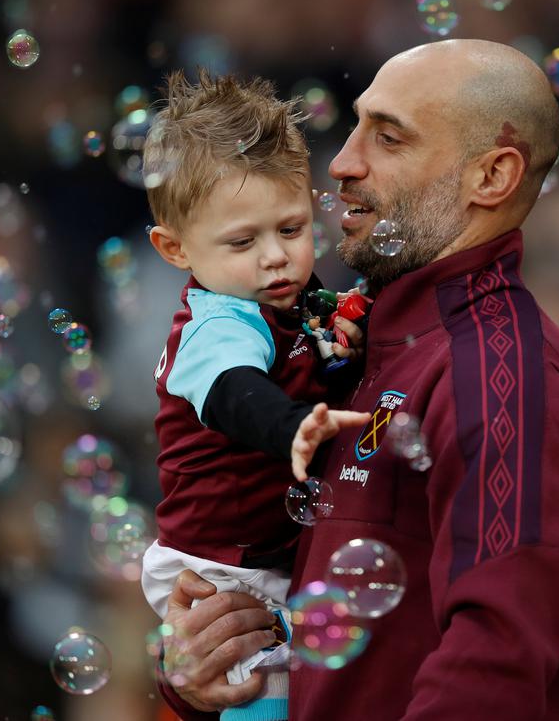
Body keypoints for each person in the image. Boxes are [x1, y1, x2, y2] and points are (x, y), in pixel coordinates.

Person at [158, 38, 559, 720]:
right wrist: (205, 673)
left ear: (490, 177)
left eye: (388, 137)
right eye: (358, 124)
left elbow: (497, 667)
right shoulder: (365, 345)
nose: (341, 163)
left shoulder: (499, 371)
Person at [141, 69, 372, 721]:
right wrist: (293, 424)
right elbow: (232, 393)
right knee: (262, 701)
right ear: (174, 247)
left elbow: (325, 329)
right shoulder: (219, 323)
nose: (275, 257)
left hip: (271, 550)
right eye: (243, 241)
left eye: (292, 229)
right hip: (221, 568)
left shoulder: (284, 293)